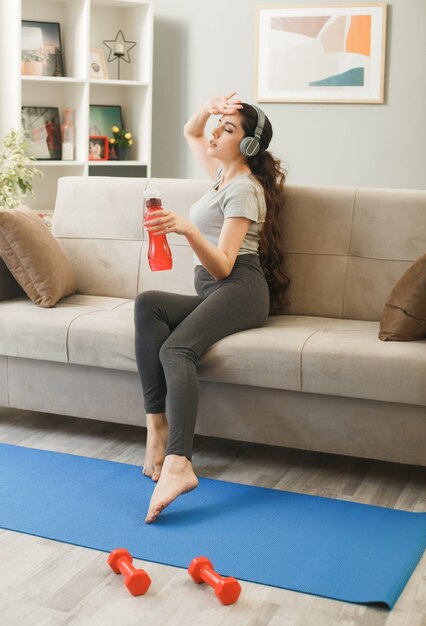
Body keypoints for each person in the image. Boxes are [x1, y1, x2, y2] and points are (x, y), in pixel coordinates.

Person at [134, 92, 289, 523]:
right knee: (149, 305)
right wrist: (210, 106)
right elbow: (190, 130)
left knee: (176, 350)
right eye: (218, 125)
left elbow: (223, 267)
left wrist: (185, 227)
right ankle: (156, 429)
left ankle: (180, 463)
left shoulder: (243, 188)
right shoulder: (221, 174)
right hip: (217, 292)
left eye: (229, 128)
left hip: (239, 288)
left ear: (250, 145)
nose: (216, 132)